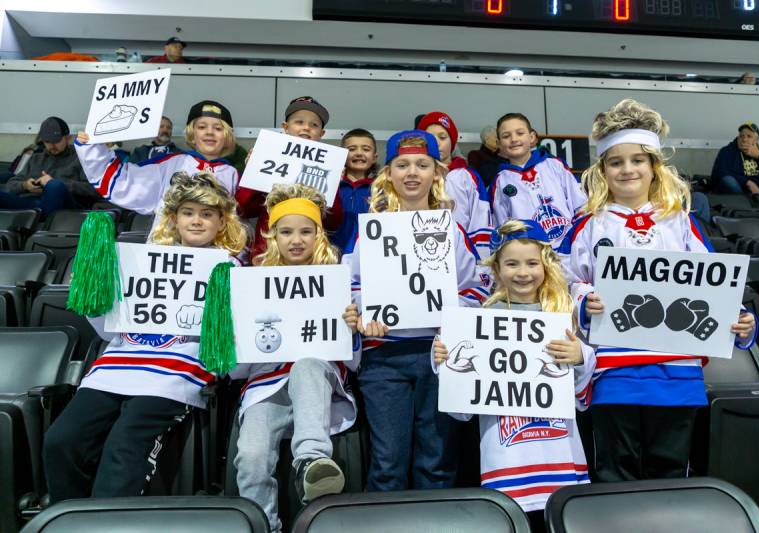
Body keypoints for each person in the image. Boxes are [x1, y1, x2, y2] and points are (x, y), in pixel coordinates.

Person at [559, 99, 757, 482]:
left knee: (670, 474)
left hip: (677, 373)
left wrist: (742, 322)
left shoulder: (680, 221)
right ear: (602, 171)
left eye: (637, 160)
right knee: (616, 475)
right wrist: (584, 302)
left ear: (654, 167)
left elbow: (715, 281)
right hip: (612, 372)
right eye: (616, 162)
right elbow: (564, 283)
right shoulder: (588, 224)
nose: (627, 168)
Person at [42, 171, 247, 502]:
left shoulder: (229, 268)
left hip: (175, 374)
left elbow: (228, 345)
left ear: (222, 222)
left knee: (125, 445)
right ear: (174, 218)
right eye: (188, 213)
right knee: (61, 441)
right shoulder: (138, 259)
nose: (197, 221)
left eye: (207, 214)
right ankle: (71, 517)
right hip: (115, 369)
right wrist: (96, 297)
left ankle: (109, 523)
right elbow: (109, 330)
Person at [342, 130, 490, 491]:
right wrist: (360, 315)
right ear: (388, 173)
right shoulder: (371, 231)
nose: (412, 173)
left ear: (436, 173)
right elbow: (351, 284)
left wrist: (448, 309)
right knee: (388, 463)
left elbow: (477, 288)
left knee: (437, 462)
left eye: (422, 165)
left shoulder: (451, 230)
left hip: (439, 355)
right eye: (402, 165)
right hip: (384, 358)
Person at [434, 219, 594, 531]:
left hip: (559, 454)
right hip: (507, 460)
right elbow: (461, 410)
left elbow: (581, 395)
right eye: (512, 263)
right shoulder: (478, 321)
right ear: (496, 269)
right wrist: (444, 363)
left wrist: (580, 357)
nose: (523, 272)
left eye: (532, 263)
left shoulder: (561, 314)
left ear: (546, 264)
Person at [231, 184, 359, 533]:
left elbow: (353, 362)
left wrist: (353, 329)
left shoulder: (339, 280)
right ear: (272, 236)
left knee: (306, 364)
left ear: (319, 235)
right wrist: (237, 336)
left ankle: (312, 461)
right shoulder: (252, 283)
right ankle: (264, 527)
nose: (296, 240)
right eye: (286, 232)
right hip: (265, 385)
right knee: (251, 457)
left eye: (306, 231)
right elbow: (236, 371)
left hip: (319, 379)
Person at [75, 100, 239, 234]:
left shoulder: (233, 174)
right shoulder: (170, 163)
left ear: (227, 136)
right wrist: (93, 147)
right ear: (192, 134)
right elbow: (120, 181)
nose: (209, 132)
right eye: (202, 127)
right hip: (166, 257)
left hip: (213, 261)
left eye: (218, 128)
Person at [236, 96, 342, 260]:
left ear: (322, 133)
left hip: (309, 256)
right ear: (285, 127)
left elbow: (334, 221)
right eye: (299, 122)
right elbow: (244, 208)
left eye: (314, 125)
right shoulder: (268, 155)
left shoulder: (328, 166)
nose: (306, 128)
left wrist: (334, 186)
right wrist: (253, 169)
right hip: (267, 254)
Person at [491, 113, 586, 247]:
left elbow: (580, 205)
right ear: (499, 144)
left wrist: (578, 241)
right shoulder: (500, 181)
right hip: (530, 257)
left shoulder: (555, 165)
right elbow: (502, 227)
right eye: (506, 136)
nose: (514, 139)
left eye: (520, 133)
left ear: (532, 137)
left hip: (569, 252)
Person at [418, 111, 493, 258]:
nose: (437, 143)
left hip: (464, 259)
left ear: (452, 141)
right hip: (425, 257)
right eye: (430, 138)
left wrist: (481, 261)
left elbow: (481, 218)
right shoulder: (413, 177)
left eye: (442, 137)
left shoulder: (467, 176)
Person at [0, 117, 102, 215]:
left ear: (68, 138)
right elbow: (10, 184)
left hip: (64, 206)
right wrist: (25, 186)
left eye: (56, 141)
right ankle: (37, 215)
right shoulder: (36, 158)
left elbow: (94, 190)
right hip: (31, 204)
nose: (52, 146)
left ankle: (39, 216)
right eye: (47, 142)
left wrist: (56, 183)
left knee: (55, 186)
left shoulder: (81, 157)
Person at [331, 128, 378, 250]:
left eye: (366, 149)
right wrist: (334, 183)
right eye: (352, 149)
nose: (359, 153)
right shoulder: (332, 186)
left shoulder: (380, 189)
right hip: (331, 255)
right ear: (342, 154)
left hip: (368, 255)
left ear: (374, 157)